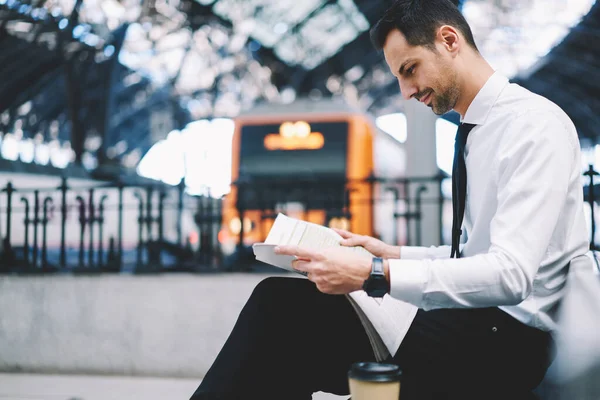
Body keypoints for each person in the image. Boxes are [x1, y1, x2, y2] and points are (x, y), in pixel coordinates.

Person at [190, 0, 590, 399]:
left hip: (506, 343)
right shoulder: (479, 131)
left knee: (281, 313)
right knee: (286, 325)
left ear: (449, 40)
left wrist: (374, 273)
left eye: (409, 69)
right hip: (478, 322)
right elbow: (473, 255)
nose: (405, 91)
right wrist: (391, 254)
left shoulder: (532, 126)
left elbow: (510, 275)